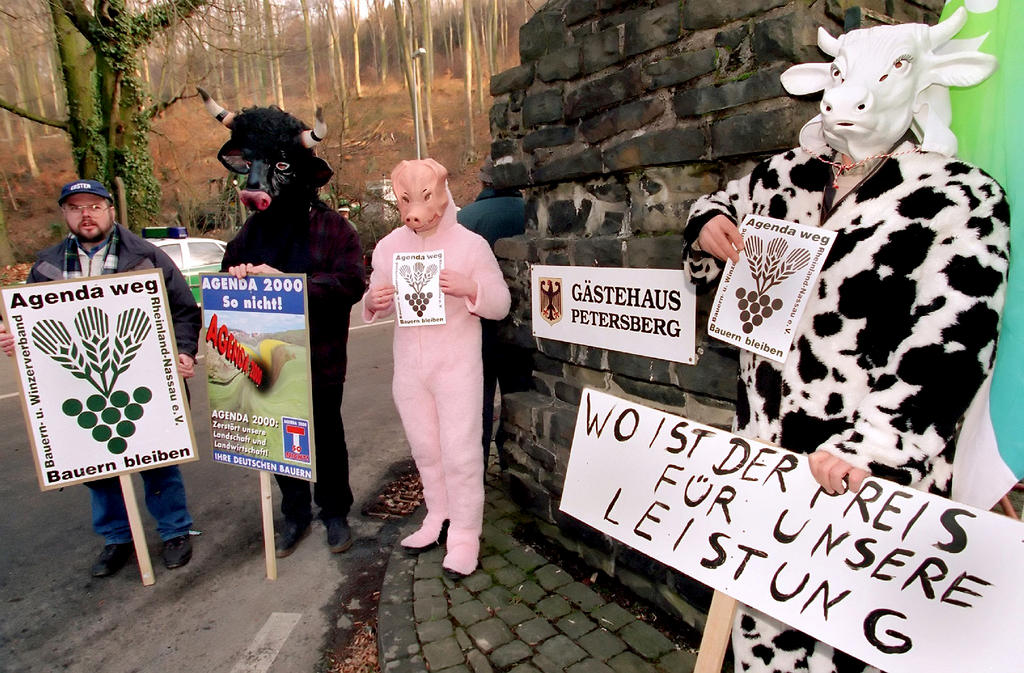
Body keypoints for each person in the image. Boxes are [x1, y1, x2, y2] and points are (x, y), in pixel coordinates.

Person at [682, 12, 1008, 673]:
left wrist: (876, 448)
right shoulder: (776, 178)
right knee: (761, 640)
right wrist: (707, 224)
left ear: (921, 86)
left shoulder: (960, 196)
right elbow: (709, 224)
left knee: (853, 652)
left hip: (863, 481)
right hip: (765, 467)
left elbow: (954, 342)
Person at [0, 179, 201, 577]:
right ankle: (117, 538)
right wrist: (16, 340)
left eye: (94, 205)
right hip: (80, 386)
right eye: (75, 208)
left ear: (111, 210)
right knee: (96, 466)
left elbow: (183, 310)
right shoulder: (46, 265)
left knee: (158, 461)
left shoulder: (147, 257)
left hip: (142, 382)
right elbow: (33, 329)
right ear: (65, 215)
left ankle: (175, 531)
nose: (85, 214)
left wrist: (182, 350)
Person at [364, 158, 511, 577]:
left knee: (462, 453)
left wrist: (472, 289)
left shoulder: (470, 245)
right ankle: (437, 517)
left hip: (457, 369)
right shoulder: (390, 246)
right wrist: (373, 302)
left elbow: (500, 303)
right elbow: (372, 297)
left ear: (442, 193)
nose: (414, 210)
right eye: (405, 200)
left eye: (423, 197)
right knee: (426, 449)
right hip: (410, 369)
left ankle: (465, 533)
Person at [456, 157, 531, 469]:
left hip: (476, 325)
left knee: (478, 402)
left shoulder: (464, 218)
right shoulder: (530, 211)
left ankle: (475, 472)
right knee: (520, 395)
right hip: (524, 323)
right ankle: (514, 463)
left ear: (484, 182)